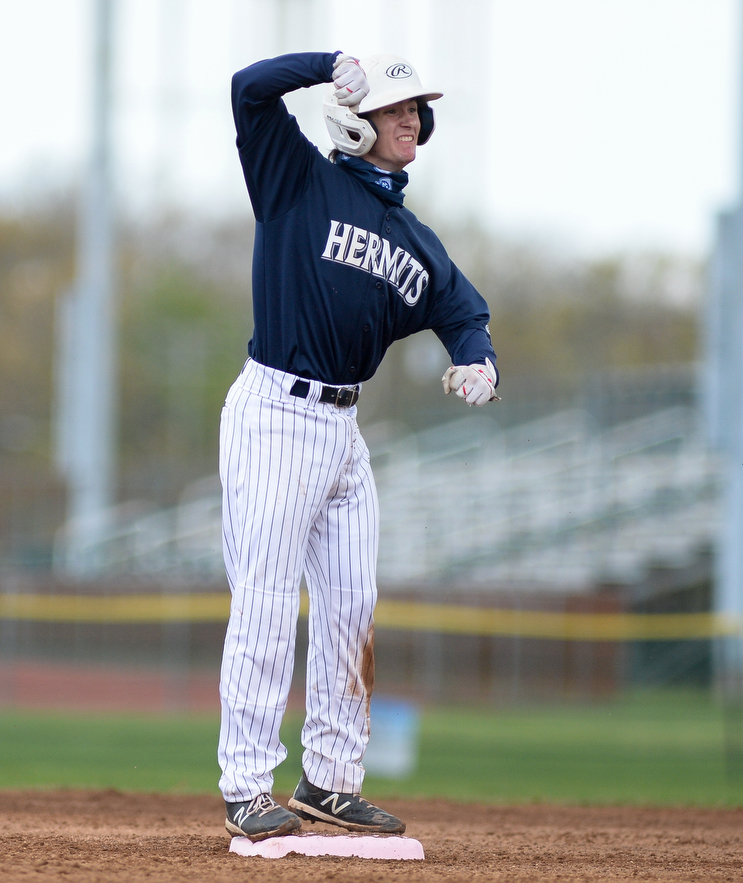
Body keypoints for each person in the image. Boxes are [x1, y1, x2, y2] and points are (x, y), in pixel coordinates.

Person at [219, 50, 500, 842]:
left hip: (343, 429)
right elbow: (247, 88)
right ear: (352, 115)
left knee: (351, 609)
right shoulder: (295, 180)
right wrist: (322, 65)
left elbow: (463, 308)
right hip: (276, 409)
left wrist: (477, 356)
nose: (411, 115)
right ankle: (245, 783)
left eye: (417, 106)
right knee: (268, 602)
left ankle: (330, 781)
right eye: (396, 105)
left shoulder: (412, 238)